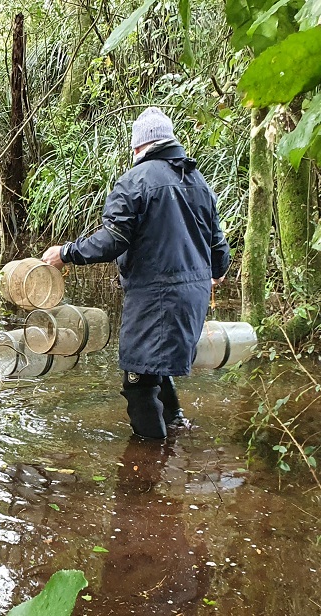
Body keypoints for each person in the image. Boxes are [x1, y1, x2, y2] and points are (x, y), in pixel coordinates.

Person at [41, 107, 230, 440]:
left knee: (137, 379)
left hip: (156, 294)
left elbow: (113, 240)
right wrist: (213, 274)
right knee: (153, 364)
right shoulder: (199, 182)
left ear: (139, 147)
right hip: (194, 294)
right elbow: (220, 252)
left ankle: (151, 461)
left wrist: (65, 253)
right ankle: (175, 426)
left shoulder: (136, 180)